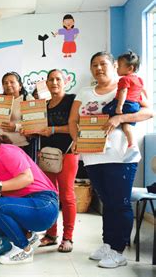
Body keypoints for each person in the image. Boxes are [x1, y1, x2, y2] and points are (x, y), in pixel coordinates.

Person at [68, 51, 152, 268]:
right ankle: (108, 244)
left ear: (115, 65)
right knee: (108, 202)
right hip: (92, 156)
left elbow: (148, 112)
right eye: (94, 65)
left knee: (119, 202)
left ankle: (118, 250)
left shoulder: (127, 85)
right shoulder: (84, 92)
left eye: (103, 64)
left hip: (121, 155)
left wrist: (120, 118)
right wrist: (76, 140)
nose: (99, 68)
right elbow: (72, 120)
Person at [0, 125, 58, 264]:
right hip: (26, 205)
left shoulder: (7, 151)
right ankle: (28, 236)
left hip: (44, 204)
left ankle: (24, 249)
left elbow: (27, 178)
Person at [33, 69, 78, 252]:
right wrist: (28, 129)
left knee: (67, 195)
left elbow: (75, 126)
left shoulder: (72, 100)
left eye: (58, 79)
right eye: (50, 80)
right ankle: (51, 234)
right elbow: (37, 128)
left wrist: (52, 130)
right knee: (50, 195)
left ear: (65, 81)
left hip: (67, 154)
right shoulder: (43, 104)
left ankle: (68, 237)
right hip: (46, 156)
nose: (54, 83)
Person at [102, 51, 147, 156]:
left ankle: (106, 141)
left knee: (105, 112)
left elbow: (123, 92)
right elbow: (142, 91)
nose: (117, 69)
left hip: (125, 104)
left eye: (119, 66)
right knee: (127, 127)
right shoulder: (139, 80)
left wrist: (119, 106)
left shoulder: (124, 79)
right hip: (134, 106)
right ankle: (132, 146)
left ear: (130, 68)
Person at [0, 71, 37, 161]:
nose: (8, 85)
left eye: (12, 82)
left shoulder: (28, 100)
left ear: (20, 85)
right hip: (0, 146)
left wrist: (16, 127)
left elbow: (36, 126)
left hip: (21, 147)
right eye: (5, 83)